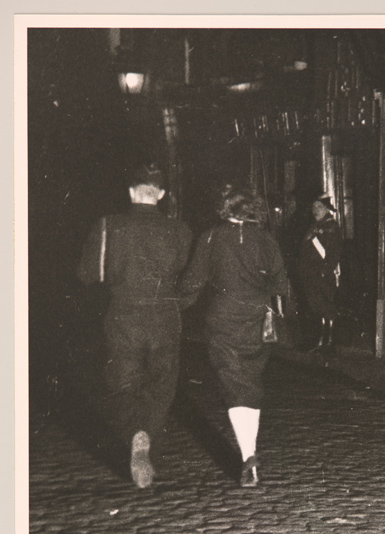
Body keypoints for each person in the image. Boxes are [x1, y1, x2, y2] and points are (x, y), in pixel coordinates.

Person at [76, 162, 193, 488]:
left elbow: (87, 274)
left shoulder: (108, 225)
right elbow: (182, 272)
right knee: (162, 383)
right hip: (165, 316)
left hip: (124, 314)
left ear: (131, 192)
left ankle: (136, 433)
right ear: (162, 194)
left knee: (123, 382)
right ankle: (148, 434)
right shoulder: (180, 230)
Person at [180, 186, 289, 487]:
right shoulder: (266, 239)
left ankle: (248, 455)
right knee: (249, 382)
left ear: (225, 208)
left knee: (233, 383)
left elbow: (193, 281)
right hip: (256, 319)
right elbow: (281, 282)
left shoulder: (211, 237)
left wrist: (174, 305)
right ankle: (249, 452)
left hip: (223, 319)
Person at [295, 195, 344, 350]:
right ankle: (321, 340)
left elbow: (334, 252)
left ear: (327, 209)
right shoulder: (314, 226)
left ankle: (329, 341)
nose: (315, 210)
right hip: (310, 274)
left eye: (319, 207)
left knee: (325, 306)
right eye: (313, 207)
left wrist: (325, 271)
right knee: (316, 306)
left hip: (322, 274)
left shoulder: (331, 227)